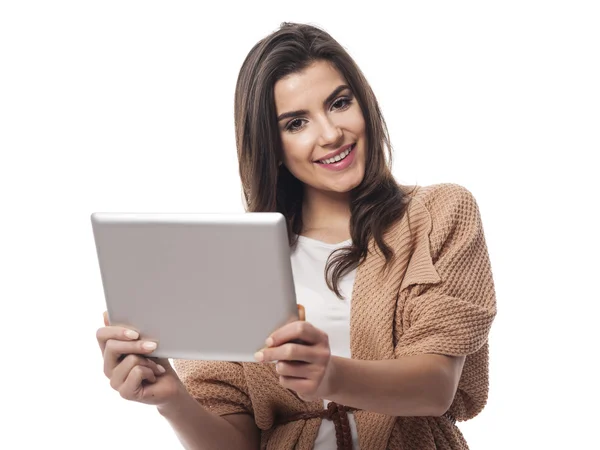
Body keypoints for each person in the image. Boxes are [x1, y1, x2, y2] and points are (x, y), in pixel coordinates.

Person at [96, 22, 497, 450]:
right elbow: (237, 442)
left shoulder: (439, 213)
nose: (330, 134)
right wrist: (171, 397)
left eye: (340, 103)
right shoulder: (234, 261)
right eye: (296, 123)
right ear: (272, 145)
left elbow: (435, 387)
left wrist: (330, 376)